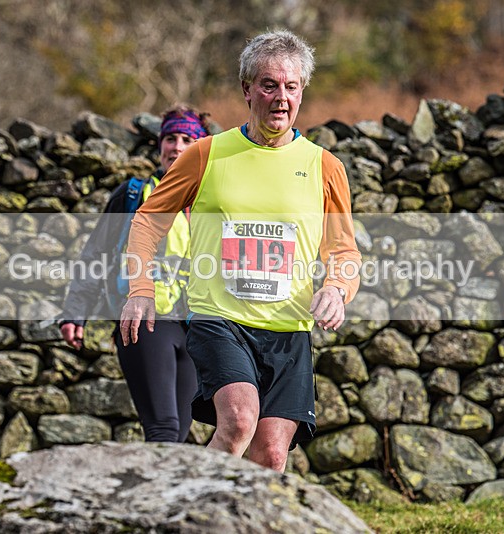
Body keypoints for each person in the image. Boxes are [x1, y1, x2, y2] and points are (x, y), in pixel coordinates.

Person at [120, 30, 361, 472]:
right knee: (238, 419)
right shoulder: (207, 154)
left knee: (271, 454)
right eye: (269, 85)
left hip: (288, 329)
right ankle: (186, 510)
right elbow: (147, 219)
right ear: (247, 89)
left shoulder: (325, 167)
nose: (281, 98)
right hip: (220, 319)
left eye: (291, 87)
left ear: (302, 91)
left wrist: (337, 287)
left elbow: (344, 250)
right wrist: (141, 288)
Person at [60, 105, 210, 442]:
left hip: (195, 329)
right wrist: (75, 312)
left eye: (188, 139)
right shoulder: (132, 195)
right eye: (170, 138)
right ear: (159, 146)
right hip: (144, 321)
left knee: (181, 434)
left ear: (200, 148)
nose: (177, 146)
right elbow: (95, 253)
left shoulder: (211, 203)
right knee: (163, 428)